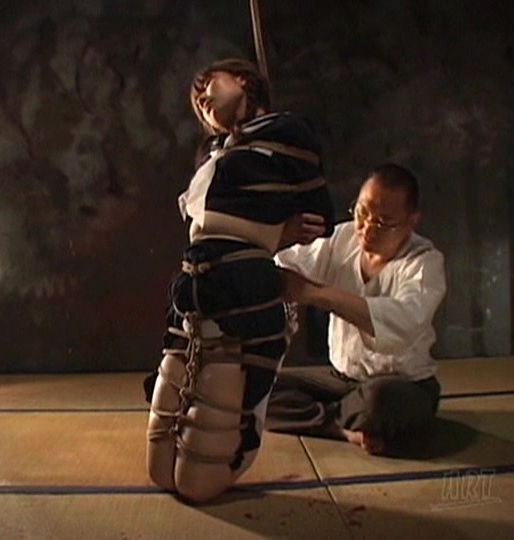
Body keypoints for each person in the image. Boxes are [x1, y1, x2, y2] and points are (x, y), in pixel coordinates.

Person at [143, 58, 336, 503]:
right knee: (160, 460)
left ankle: (239, 443)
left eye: (208, 85)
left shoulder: (288, 132)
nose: (201, 99)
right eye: (196, 100)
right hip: (194, 281)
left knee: (203, 465)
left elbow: (319, 213)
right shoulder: (211, 153)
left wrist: (287, 229)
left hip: (244, 280)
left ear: (245, 81)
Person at [265, 163, 447, 456]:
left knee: (377, 401)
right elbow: (286, 265)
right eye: (362, 213)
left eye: (384, 222)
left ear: (412, 221)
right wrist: (285, 235)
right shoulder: (343, 237)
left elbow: (404, 323)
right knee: (260, 385)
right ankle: (342, 427)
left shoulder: (425, 262)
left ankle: (339, 417)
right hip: (341, 380)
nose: (367, 229)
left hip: (402, 384)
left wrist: (316, 294)